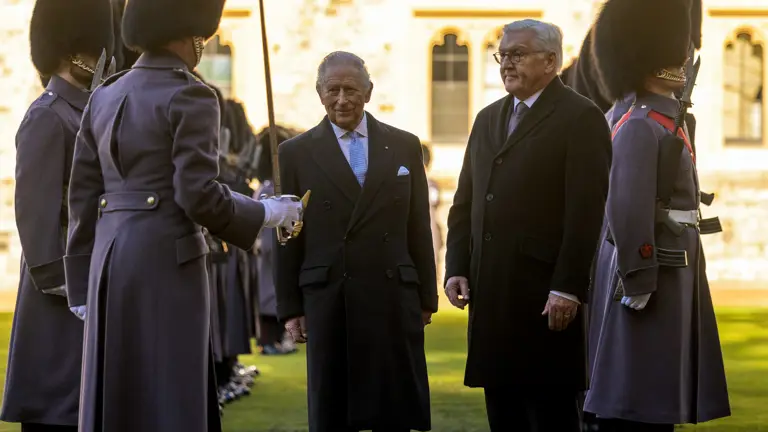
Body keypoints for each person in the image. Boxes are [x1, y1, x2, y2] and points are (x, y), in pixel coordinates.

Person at [62, 0, 303, 430]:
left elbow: (82, 195)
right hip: (167, 258)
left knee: (118, 388)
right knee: (171, 387)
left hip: (107, 261)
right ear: (188, 34)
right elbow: (198, 196)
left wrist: (81, 279)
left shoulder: (104, 94)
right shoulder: (191, 93)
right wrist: (268, 212)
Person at [444, 19, 612, 432]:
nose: (506, 63)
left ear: (551, 61)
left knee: (550, 417)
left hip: (545, 300)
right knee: (503, 417)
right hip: (491, 297)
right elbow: (465, 201)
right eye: (502, 55)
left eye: (517, 54)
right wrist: (456, 267)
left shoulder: (581, 118)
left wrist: (568, 286)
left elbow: (586, 212)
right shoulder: (487, 119)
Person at [584, 0, 731, 430]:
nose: (684, 59)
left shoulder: (667, 122)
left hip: (674, 267)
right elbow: (627, 208)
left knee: (658, 388)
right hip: (654, 270)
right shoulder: (639, 125)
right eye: (675, 52)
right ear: (649, 60)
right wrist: (641, 275)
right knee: (638, 390)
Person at [275, 51, 437, 432]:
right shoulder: (294, 153)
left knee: (392, 410)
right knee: (336, 412)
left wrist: (426, 298)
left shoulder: (403, 145)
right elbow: (287, 235)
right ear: (319, 92)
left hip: (392, 295)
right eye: (333, 90)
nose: (342, 99)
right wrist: (289, 307)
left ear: (369, 91)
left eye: (351, 90)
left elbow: (418, 226)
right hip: (330, 296)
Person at [0, 1, 114, 431]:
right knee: (60, 408)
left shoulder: (90, 110)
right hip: (62, 287)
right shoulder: (47, 115)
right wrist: (64, 282)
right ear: (72, 52)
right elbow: (35, 213)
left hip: (93, 272)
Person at [254, 125, 301, 356]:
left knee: (276, 289)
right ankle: (268, 340)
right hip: (267, 243)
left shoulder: (275, 185)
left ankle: (276, 337)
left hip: (276, 240)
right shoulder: (267, 188)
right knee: (268, 292)